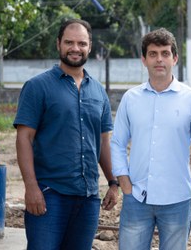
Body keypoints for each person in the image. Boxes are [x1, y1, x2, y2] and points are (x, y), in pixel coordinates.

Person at [13, 18, 118, 250]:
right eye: (69, 42)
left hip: (88, 197)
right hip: (49, 194)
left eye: (81, 43)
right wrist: (31, 187)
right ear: (58, 43)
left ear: (90, 46)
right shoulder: (37, 86)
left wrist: (113, 182)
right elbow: (24, 138)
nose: (75, 48)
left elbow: (103, 142)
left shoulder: (99, 91)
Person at [111, 28, 191, 250]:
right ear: (144, 59)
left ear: (175, 58)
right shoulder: (131, 99)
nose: (159, 59)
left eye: (165, 53)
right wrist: (125, 184)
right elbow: (118, 143)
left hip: (177, 201)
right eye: (153, 54)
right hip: (136, 198)